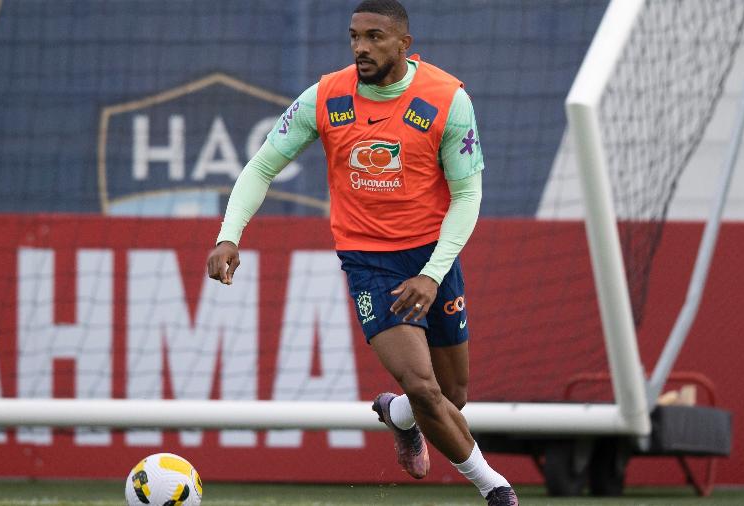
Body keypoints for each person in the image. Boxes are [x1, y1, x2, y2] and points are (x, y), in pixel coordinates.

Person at [206, 1, 517, 504]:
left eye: (374, 37)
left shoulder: (447, 98)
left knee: (453, 397)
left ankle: (397, 417)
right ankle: (496, 489)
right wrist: (229, 235)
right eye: (354, 37)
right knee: (421, 383)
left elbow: (468, 196)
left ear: (404, 44)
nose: (360, 48)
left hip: (433, 261)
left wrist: (434, 274)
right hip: (369, 261)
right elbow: (262, 166)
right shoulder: (326, 97)